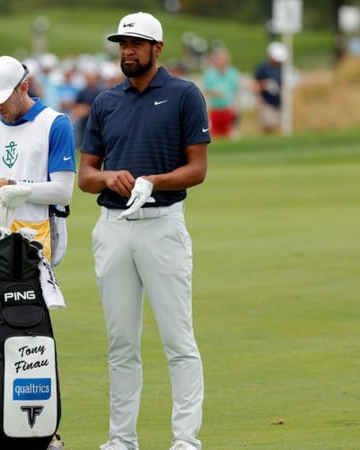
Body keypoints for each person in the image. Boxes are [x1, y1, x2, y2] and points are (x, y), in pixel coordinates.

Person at [78, 12, 209, 450]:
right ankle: (121, 440)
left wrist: (153, 180)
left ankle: (186, 440)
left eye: (136, 43)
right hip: (113, 228)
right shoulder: (105, 101)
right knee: (120, 344)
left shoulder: (183, 95)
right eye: (122, 43)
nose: (127, 51)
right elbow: (85, 175)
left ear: (157, 48)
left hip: (161, 226)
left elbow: (197, 169)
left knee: (178, 339)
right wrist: (107, 177)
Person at [0, 55, 76, 265]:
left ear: (24, 87)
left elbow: (63, 193)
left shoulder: (55, 123)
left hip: (37, 236)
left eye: (2, 98)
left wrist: (8, 188)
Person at [201, 48, 241, 138]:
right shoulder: (209, 74)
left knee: (229, 134)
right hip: (215, 110)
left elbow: (236, 91)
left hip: (228, 109)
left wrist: (237, 109)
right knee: (214, 135)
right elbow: (204, 91)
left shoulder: (233, 73)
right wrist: (214, 92)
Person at [254, 41, 287, 134]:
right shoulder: (263, 68)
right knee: (268, 126)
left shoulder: (281, 68)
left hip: (278, 102)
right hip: (266, 102)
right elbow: (256, 84)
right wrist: (263, 87)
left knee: (277, 126)